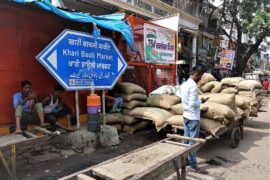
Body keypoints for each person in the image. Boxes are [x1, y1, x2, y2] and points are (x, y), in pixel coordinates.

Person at [180, 67, 209, 174]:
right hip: (193, 118)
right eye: (200, 76)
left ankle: (184, 160)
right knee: (192, 142)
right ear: (196, 74)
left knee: (185, 140)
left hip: (186, 115)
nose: (200, 79)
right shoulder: (193, 86)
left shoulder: (184, 84)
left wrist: (199, 106)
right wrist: (201, 101)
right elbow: (193, 103)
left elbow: (187, 102)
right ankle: (193, 165)